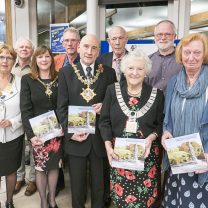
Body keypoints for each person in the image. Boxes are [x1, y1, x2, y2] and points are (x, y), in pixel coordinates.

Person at [57, 34, 117, 208]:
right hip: (77, 138)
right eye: (86, 47)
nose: (89, 51)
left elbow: (115, 103)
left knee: (99, 186)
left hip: (99, 137)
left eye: (94, 48)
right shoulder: (66, 72)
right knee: (77, 186)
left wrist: (105, 105)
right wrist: (70, 133)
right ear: (78, 47)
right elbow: (61, 107)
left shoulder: (108, 73)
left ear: (99, 50)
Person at [99, 49, 164, 208]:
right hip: (120, 154)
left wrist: (152, 137)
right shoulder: (111, 91)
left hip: (147, 156)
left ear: (146, 72)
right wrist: (108, 146)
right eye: (131, 68)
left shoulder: (157, 95)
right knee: (122, 199)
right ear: (124, 70)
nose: (135, 72)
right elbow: (104, 121)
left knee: (145, 199)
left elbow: (161, 123)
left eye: (140, 69)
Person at [162, 33, 208, 207]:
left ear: (204, 54)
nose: (191, 57)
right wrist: (166, 132)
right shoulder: (174, 82)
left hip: (203, 160)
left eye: (197, 52)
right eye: (187, 52)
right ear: (180, 54)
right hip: (178, 158)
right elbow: (169, 118)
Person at [20, 45, 62, 208]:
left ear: (52, 59)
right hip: (37, 134)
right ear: (35, 60)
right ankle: (43, 201)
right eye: (40, 57)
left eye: (47, 56)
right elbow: (25, 109)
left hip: (56, 132)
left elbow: (63, 105)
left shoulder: (59, 77)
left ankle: (52, 199)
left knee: (54, 167)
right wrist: (31, 135)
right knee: (39, 167)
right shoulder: (28, 79)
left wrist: (63, 126)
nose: (44, 60)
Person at [12, 37, 37, 196]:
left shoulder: (35, 68)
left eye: (27, 47)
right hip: (15, 116)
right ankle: (19, 177)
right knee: (18, 148)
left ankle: (33, 179)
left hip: (31, 114)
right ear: (16, 50)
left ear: (32, 51)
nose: (24, 49)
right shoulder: (9, 67)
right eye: (21, 47)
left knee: (33, 148)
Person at [0, 44, 24, 208]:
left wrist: (12, 122)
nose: (5, 60)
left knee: (10, 170)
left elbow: (27, 110)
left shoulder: (21, 82)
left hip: (13, 134)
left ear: (14, 61)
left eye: (9, 57)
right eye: (1, 57)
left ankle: (9, 201)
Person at [146, 20, 182, 93]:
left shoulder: (184, 60)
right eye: (159, 34)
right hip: (153, 104)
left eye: (167, 34)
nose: (163, 38)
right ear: (155, 37)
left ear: (174, 36)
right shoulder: (147, 60)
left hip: (175, 103)